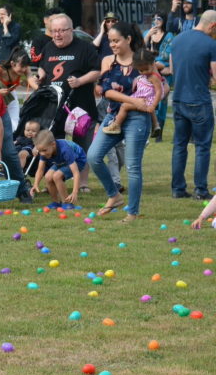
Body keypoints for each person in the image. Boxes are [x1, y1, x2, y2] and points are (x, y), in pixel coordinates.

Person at [88, 21, 155, 222]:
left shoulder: (142, 59)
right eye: (110, 41)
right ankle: (114, 195)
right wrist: (132, 100)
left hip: (138, 119)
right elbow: (106, 91)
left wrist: (150, 103)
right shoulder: (108, 61)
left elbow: (160, 85)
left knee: (133, 167)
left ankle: (132, 212)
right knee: (93, 156)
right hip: (113, 115)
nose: (113, 44)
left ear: (128, 39)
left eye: (116, 40)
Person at [37, 13, 100, 191]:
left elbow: (98, 71)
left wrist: (81, 81)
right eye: (53, 31)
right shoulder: (48, 47)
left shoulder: (85, 48)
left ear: (71, 30)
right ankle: (54, 180)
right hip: (55, 109)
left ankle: (83, 184)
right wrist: (41, 75)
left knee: (82, 146)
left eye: (61, 31)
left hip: (81, 108)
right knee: (54, 146)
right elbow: (43, 66)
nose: (57, 35)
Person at [170, 10, 216, 200]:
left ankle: (178, 189)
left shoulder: (177, 40)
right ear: (212, 26)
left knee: (179, 145)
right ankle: (200, 190)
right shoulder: (211, 44)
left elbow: (172, 70)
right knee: (202, 146)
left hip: (178, 99)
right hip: (199, 101)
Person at [103, 49, 165, 134]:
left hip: (147, 101)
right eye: (141, 71)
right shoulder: (149, 74)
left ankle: (116, 125)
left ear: (152, 64)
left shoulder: (154, 77)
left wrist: (153, 105)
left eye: (146, 69)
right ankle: (155, 124)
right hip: (145, 98)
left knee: (124, 106)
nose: (144, 72)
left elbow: (159, 92)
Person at [29, 129, 87, 209]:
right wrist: (35, 184)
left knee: (57, 176)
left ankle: (67, 203)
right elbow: (40, 170)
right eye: (40, 151)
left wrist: (75, 192)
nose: (42, 153)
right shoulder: (44, 149)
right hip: (62, 161)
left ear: (53, 144)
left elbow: (76, 173)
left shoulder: (65, 150)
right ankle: (55, 202)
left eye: (44, 150)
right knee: (48, 176)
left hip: (78, 160)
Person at [0, 46, 32, 130]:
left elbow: (30, 81)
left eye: (25, 66)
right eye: (22, 66)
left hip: (10, 94)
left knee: (15, 122)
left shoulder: (25, 69)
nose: (24, 69)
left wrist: (38, 86)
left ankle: (13, 140)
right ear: (12, 64)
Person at [144, 12, 174, 141]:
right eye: (154, 18)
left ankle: (159, 133)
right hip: (148, 73)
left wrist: (157, 65)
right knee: (148, 99)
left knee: (161, 101)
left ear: (164, 20)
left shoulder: (169, 36)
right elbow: (140, 49)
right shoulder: (147, 33)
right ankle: (150, 129)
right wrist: (148, 36)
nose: (156, 21)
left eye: (159, 18)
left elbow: (167, 57)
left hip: (163, 73)